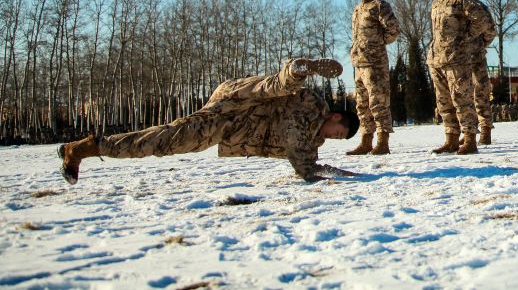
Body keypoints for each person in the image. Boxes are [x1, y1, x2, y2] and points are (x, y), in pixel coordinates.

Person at [58, 59, 359, 184]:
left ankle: (75, 147)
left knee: (170, 144)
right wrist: (311, 175)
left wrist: (344, 174)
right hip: (235, 106)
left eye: (338, 139)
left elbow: (308, 163)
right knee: (165, 140)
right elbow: (298, 150)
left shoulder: (312, 139)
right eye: (338, 131)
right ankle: (87, 148)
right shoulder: (312, 108)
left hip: (231, 126)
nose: (333, 137)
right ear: (335, 117)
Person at [428, 0, 495, 155]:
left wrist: (465, 39)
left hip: (458, 59)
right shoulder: (437, 1)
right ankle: (451, 139)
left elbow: (482, 21)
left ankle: (470, 140)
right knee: (444, 102)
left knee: (462, 100)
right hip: (437, 59)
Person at [347, 0, 401, 156]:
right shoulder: (358, 8)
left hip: (375, 63)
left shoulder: (380, 6)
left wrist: (378, 44)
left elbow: (393, 29)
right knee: (362, 105)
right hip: (359, 63)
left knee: (378, 103)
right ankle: (366, 141)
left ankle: (383, 141)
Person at [459, 0, 497, 144]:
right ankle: (467, 132)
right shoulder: (454, 8)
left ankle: (486, 130)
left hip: (476, 57)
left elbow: (490, 30)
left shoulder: (479, 7)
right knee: (462, 96)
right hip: (458, 59)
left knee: (480, 93)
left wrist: (479, 44)